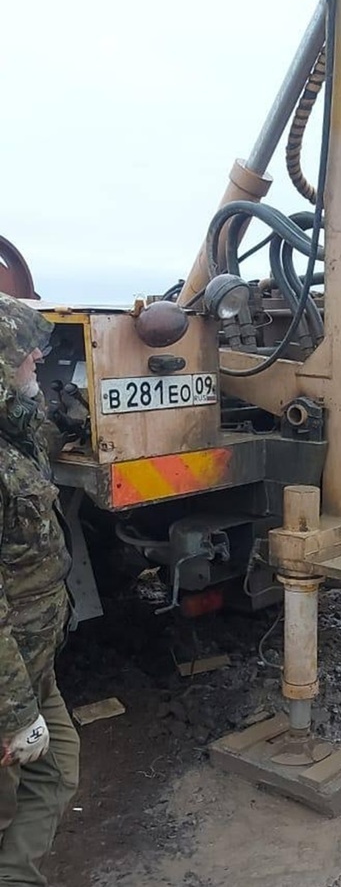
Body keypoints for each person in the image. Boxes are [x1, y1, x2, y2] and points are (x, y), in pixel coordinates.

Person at [0, 292, 79, 886]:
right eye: (27, 355)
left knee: (57, 771)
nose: (37, 361)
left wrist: (66, 417)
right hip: (8, 685)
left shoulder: (11, 431)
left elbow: (33, 447)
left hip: (33, 658)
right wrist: (16, 714)